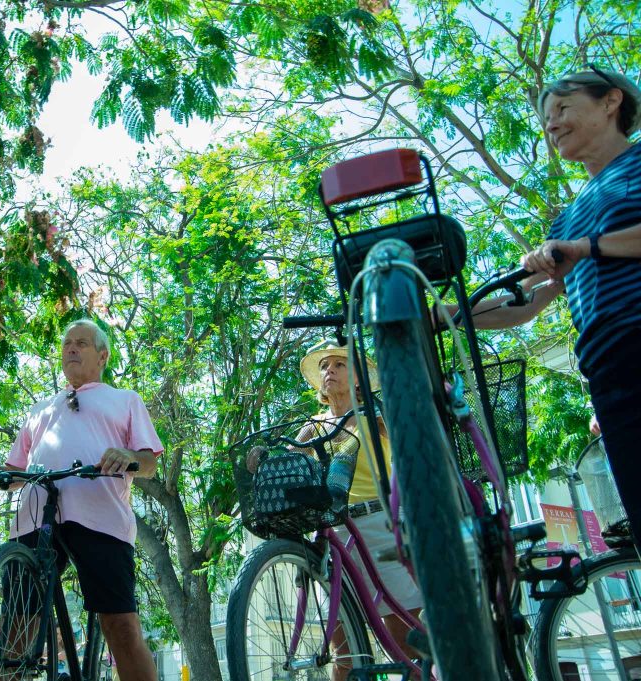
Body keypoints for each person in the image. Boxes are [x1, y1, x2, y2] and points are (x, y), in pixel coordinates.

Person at [465, 65, 641, 549]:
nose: (552, 123)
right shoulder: (569, 216)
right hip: (611, 381)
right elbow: (525, 305)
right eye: (546, 118)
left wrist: (584, 248)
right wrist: (450, 313)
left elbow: (591, 249)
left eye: (562, 107)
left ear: (611, 102)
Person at [0, 320, 163, 681]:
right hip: (34, 519)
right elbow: (15, 471)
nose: (70, 348)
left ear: (102, 356)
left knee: (120, 626)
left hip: (100, 517)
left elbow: (148, 462)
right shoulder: (39, 409)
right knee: (15, 625)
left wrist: (127, 455)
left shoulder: (124, 400)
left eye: (81, 343)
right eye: (67, 343)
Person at [247, 341, 423, 680]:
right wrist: (264, 457)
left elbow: (407, 435)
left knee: (404, 641)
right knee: (343, 652)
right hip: (333, 531)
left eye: (340, 365)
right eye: (326, 366)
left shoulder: (372, 413)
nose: (330, 371)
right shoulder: (314, 425)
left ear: (357, 377)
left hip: (376, 523)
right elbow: (290, 459)